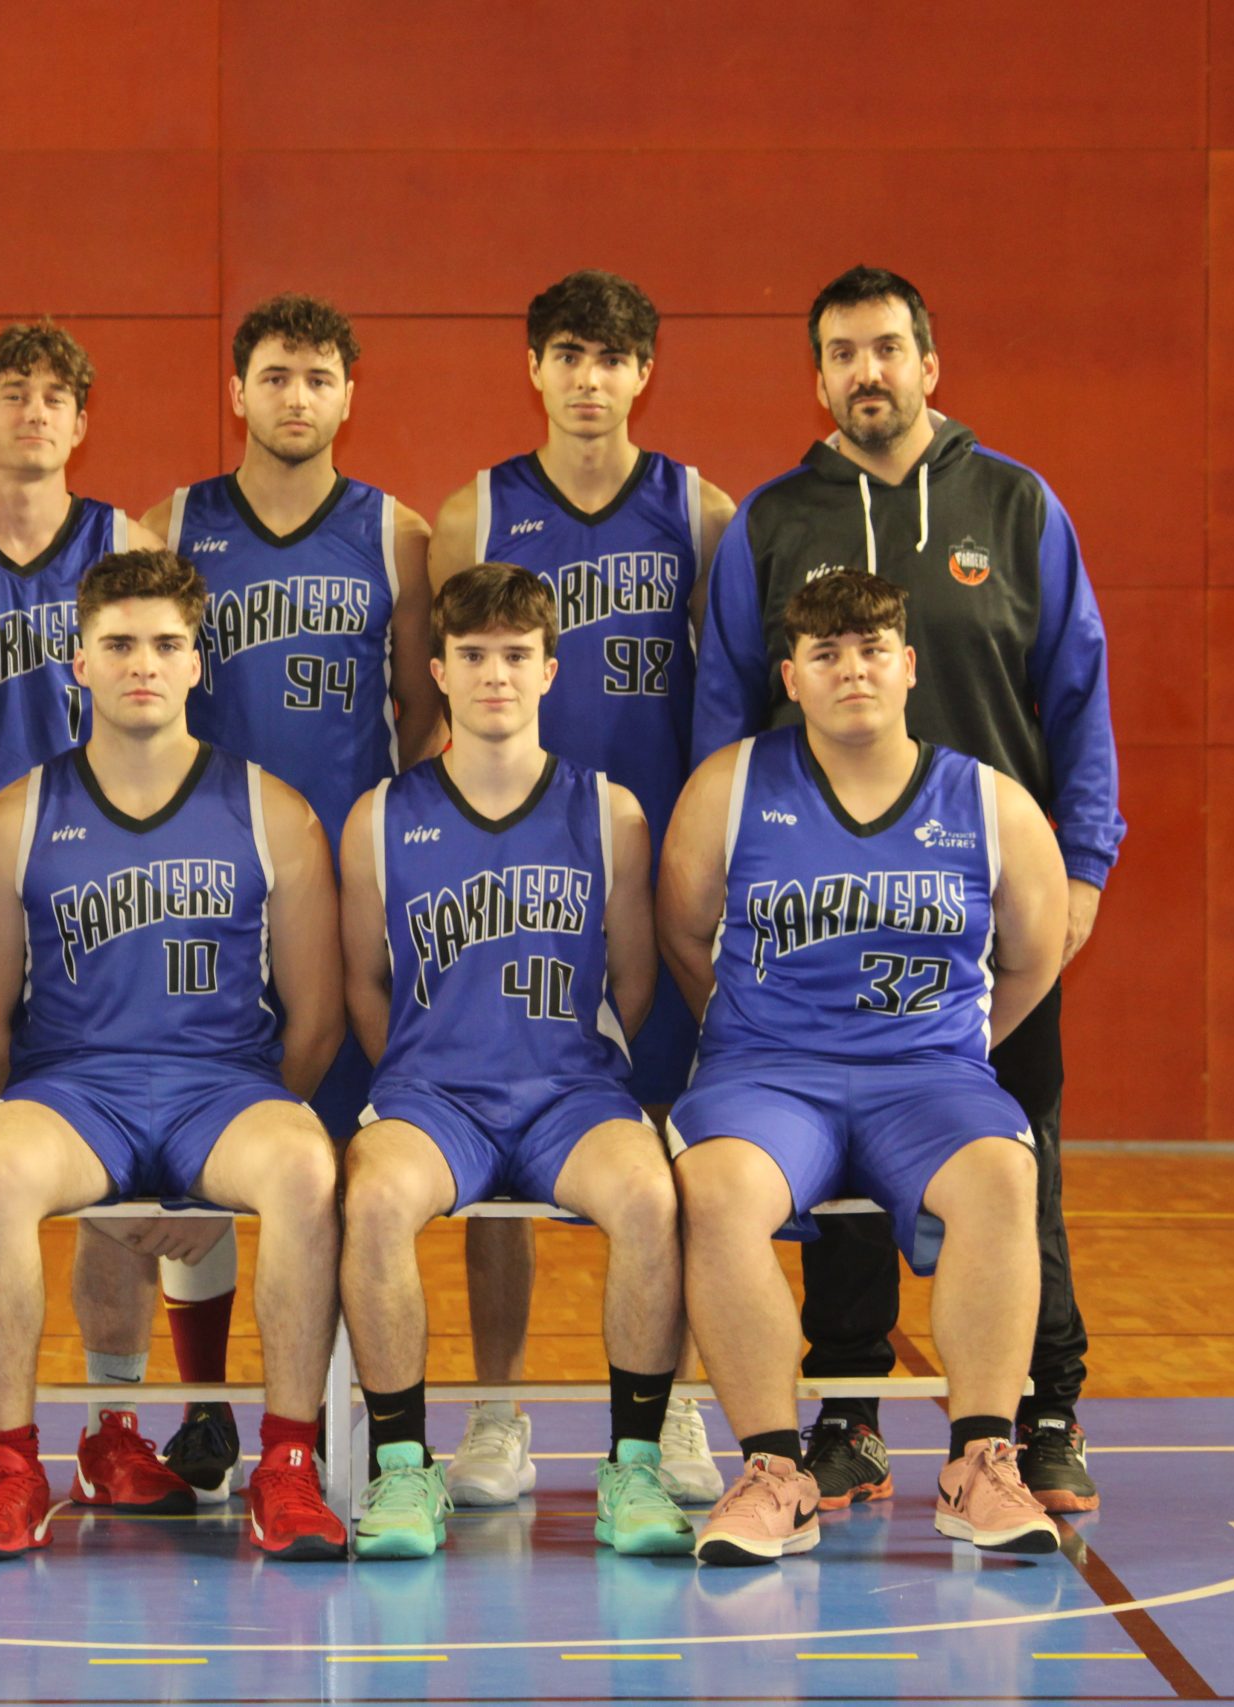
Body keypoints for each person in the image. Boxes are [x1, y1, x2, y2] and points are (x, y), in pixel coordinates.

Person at [691, 265, 1122, 1513]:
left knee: (1011, 1155)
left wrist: (1081, 866)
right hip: (815, 924)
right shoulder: (772, 521)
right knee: (833, 1178)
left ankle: (1041, 1413)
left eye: (886, 348)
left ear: (929, 364)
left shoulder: (1016, 505)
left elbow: (1077, 692)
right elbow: (723, 710)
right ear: (818, 376)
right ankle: (848, 1413)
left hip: (976, 909)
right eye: (841, 353)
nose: (865, 371)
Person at [0, 549, 350, 1564]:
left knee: (304, 1167)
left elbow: (316, 1021)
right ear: (78, 662)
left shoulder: (274, 811)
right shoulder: (17, 817)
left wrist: (225, 1166)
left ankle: (289, 1465)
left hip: (224, 1088)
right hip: (76, 1090)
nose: (143, 665)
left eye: (166, 644)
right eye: (118, 644)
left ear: (198, 662)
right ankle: (12, 1468)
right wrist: (80, 1155)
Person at [99, 293, 439, 1503]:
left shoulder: (397, 534)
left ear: (350, 395)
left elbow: (422, 712)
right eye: (277, 376)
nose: (297, 398)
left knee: (331, 1152)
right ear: (236, 392)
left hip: (340, 876)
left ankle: (338, 1416)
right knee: (198, 1138)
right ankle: (203, 1411)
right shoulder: (174, 522)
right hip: (197, 877)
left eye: (319, 377)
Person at [661, 568, 1068, 1566]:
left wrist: (952, 1048)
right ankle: (773, 1472)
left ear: (909, 666)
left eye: (872, 649)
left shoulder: (991, 803)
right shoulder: (730, 787)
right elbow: (681, 934)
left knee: (1003, 1171)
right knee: (714, 1188)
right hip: (769, 1078)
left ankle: (981, 1462)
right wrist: (756, 1035)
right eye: (827, 654)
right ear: (791, 677)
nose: (853, 670)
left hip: (926, 1080)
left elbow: (1033, 957)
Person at [426, 268, 738, 1508]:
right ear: (534, 369)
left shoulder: (700, 512)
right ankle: (496, 1409)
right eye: (568, 354)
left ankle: (675, 1409)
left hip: (655, 865)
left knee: (674, 1154)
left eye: (612, 358)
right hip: (513, 878)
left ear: (643, 373)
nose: (589, 379)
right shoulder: (475, 512)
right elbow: (431, 708)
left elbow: (728, 702)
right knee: (495, 1151)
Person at [337, 564, 690, 1561]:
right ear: (438, 672)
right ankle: (404, 1469)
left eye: (516, 655)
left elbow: (633, 980)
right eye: (474, 655)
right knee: (373, 1198)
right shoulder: (379, 817)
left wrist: (563, 1060)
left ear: (548, 671)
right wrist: (422, 1067)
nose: (496, 674)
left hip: (569, 1093)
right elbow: (365, 982)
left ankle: (635, 1464)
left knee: (650, 1196)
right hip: (434, 1096)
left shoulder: (612, 814)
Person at [0, 319, 170, 1514]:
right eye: (12, 392)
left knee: (119, 1176)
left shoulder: (127, 543)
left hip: (102, 896)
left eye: (57, 396)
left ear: (82, 421)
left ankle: (113, 1422)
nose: (36, 412)